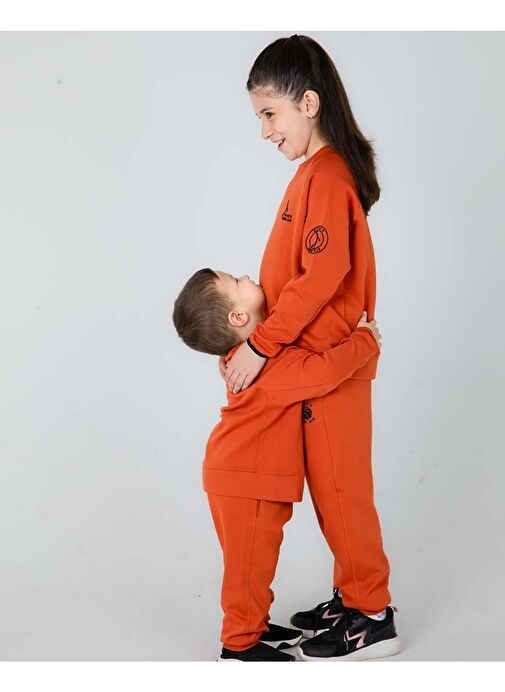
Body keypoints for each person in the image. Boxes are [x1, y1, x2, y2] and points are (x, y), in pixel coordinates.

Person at [219, 34, 402, 661]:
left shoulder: (326, 176)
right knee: (332, 492)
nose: (265, 130)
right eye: (260, 117)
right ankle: (353, 596)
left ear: (309, 103)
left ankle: (372, 614)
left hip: (330, 369)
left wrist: (260, 343)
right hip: (315, 367)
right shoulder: (312, 175)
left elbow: (321, 275)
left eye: (270, 113)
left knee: (343, 494)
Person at [172, 266, 382, 661]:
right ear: (238, 317)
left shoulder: (251, 359)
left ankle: (255, 624)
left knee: (254, 561)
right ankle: (239, 645)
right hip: (246, 480)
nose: (246, 275)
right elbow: (325, 373)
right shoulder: (270, 368)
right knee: (247, 567)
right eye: (236, 281)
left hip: (241, 476)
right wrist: (365, 340)